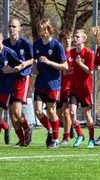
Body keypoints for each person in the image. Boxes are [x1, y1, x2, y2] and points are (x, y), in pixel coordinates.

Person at [32, 18, 68, 149]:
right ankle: (50, 130)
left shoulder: (57, 46)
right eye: (40, 30)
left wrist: (49, 62)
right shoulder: (36, 44)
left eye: (44, 30)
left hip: (53, 84)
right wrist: (34, 67)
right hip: (40, 83)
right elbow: (34, 61)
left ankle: (56, 139)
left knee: (52, 111)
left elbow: (65, 66)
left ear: (49, 30)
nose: (42, 33)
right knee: (37, 111)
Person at [3, 18, 34, 147]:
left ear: (19, 28)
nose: (12, 29)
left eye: (14, 26)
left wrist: (22, 65)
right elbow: (2, 59)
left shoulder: (24, 43)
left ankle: (27, 129)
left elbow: (32, 59)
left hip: (22, 77)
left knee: (16, 109)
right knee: (11, 113)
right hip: (10, 79)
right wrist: (5, 68)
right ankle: (21, 139)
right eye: (10, 26)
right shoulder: (5, 43)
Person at [69, 29, 95, 148]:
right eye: (74, 37)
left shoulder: (89, 53)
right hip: (74, 88)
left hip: (85, 89)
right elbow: (68, 67)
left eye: (77, 37)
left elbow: (90, 70)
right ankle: (80, 135)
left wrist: (80, 64)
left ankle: (91, 139)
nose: (75, 39)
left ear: (84, 39)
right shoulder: (71, 53)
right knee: (71, 112)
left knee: (87, 114)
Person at [57, 30, 73, 145]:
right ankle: (70, 126)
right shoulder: (58, 55)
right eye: (64, 39)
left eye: (69, 39)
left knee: (66, 111)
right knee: (58, 114)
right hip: (58, 88)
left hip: (70, 88)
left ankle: (65, 138)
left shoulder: (74, 54)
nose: (67, 41)